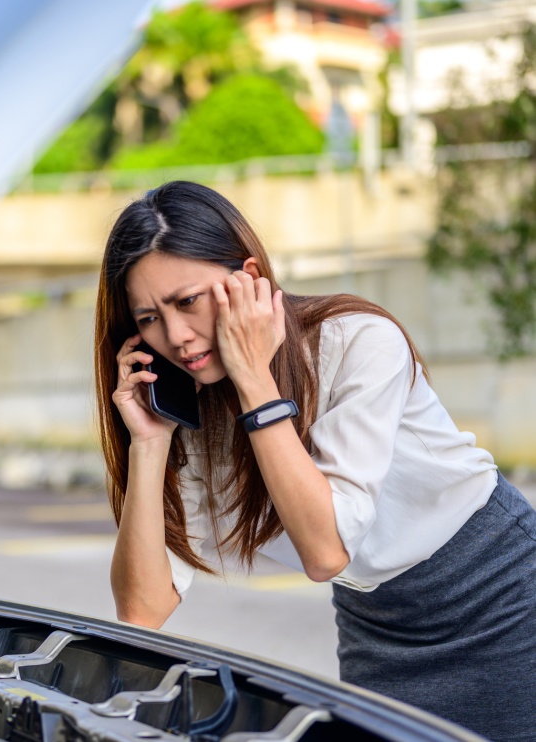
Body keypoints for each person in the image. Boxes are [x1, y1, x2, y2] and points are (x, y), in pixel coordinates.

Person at [93, 180, 536, 741]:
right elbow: (141, 611)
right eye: (150, 318)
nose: (176, 336)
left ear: (248, 280)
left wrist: (255, 381)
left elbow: (326, 550)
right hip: (377, 624)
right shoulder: (194, 408)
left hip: (500, 596)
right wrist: (150, 443)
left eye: (187, 301)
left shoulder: (360, 342)